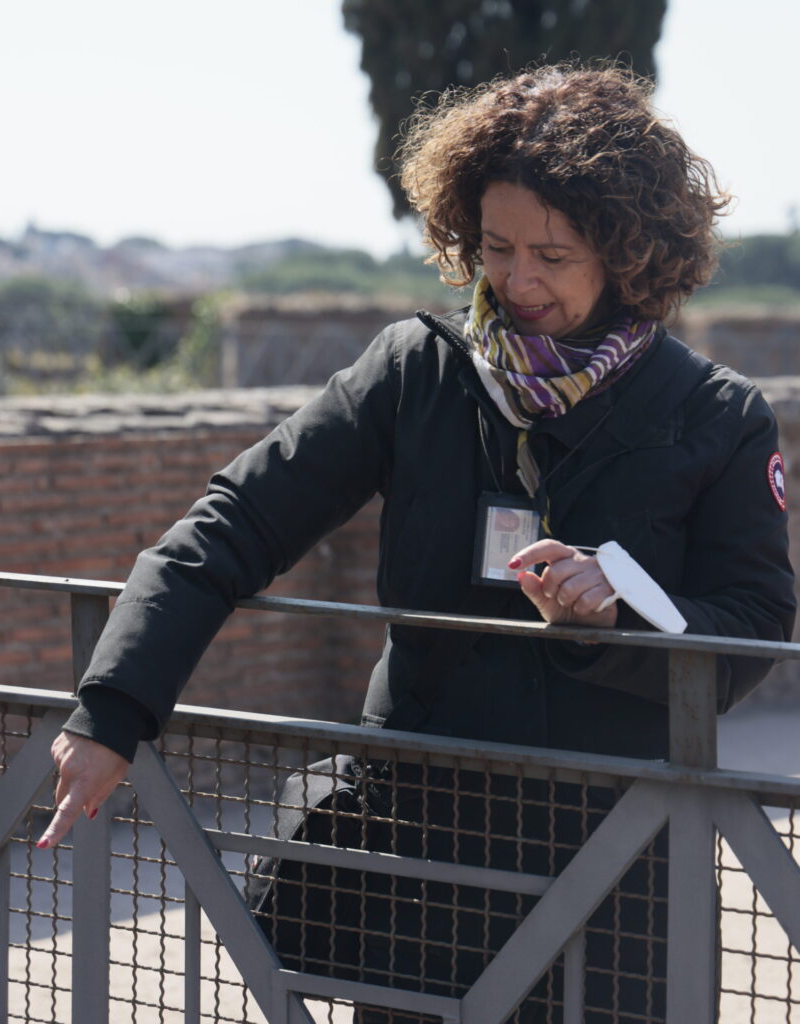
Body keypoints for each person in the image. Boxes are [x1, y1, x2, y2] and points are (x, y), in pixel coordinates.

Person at [40, 64, 795, 1021]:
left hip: (616, 879)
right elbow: (232, 524)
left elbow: (754, 628)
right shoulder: (416, 371)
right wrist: (113, 708)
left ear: (627, 249)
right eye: (496, 247)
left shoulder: (718, 414)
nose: (517, 282)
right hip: (415, 867)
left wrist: (619, 610)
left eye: (553, 255)